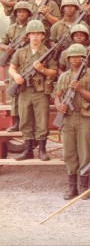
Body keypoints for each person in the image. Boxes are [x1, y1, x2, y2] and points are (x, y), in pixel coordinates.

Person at [54, 44, 90, 200]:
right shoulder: (64, 77)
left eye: (78, 57)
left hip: (84, 118)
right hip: (67, 118)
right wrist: (58, 104)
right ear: (68, 59)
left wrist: (80, 89)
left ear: (84, 59)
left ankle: (83, 185)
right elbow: (57, 95)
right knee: (69, 153)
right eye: (72, 57)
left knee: (84, 152)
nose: (75, 60)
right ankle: (72, 186)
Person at [9, 20, 58, 161]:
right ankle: (27, 150)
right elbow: (12, 67)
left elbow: (53, 72)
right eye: (33, 34)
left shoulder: (47, 52)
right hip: (24, 91)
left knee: (42, 120)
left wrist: (42, 69)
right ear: (28, 35)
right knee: (25, 120)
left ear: (43, 36)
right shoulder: (21, 52)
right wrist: (16, 76)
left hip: (40, 92)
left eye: (38, 34)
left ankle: (42, 150)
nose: (35, 37)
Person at [0, 2, 32, 132]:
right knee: (15, 95)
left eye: (24, 11)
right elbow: (2, 43)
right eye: (19, 12)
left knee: (28, 94)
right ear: (16, 14)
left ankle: (28, 122)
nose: (21, 14)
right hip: (15, 64)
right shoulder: (11, 29)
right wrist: (7, 48)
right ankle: (16, 122)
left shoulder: (31, 27)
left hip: (28, 63)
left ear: (28, 14)